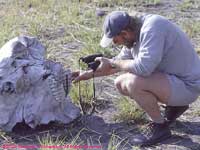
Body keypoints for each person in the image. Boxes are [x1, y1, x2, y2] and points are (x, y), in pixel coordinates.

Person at [73, 11, 200, 146]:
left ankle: (160, 128)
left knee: (132, 83)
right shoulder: (133, 35)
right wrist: (88, 74)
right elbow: (119, 62)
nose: (115, 44)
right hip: (175, 81)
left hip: (188, 86)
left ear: (124, 33)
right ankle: (176, 106)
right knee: (121, 83)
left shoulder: (153, 28)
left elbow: (143, 68)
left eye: (115, 40)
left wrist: (112, 63)